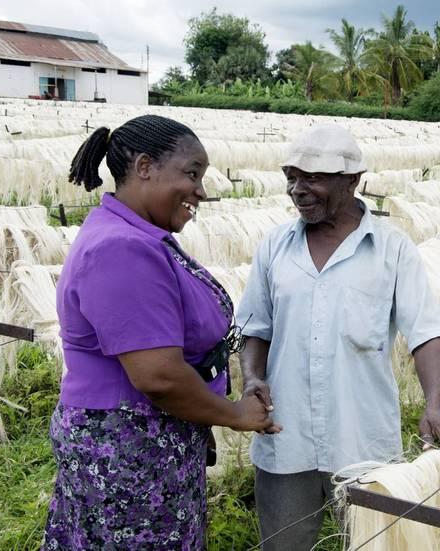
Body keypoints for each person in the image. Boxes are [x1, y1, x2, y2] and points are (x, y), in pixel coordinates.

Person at [44, 115, 280, 550]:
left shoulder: (137, 235)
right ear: (145, 166)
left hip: (144, 440)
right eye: (192, 173)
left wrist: (202, 410)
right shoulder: (122, 248)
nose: (201, 191)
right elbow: (158, 376)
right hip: (129, 449)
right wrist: (234, 416)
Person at [236, 124, 440, 550]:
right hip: (284, 436)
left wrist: (435, 406)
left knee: (373, 543)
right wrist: (252, 377)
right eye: (292, 177)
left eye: (313, 178)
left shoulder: (392, 249)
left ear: (352, 181)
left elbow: (427, 333)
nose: (298, 190)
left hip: (362, 441)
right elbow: (256, 327)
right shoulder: (275, 246)